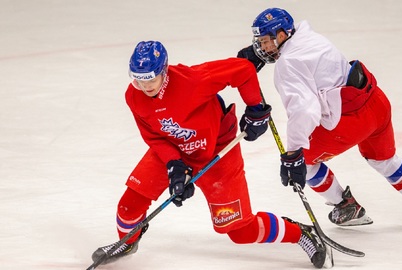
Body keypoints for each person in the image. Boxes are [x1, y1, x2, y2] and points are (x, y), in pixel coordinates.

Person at [91, 40, 332, 269]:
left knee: (240, 232)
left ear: (164, 71)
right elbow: (153, 137)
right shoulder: (134, 97)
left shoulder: (193, 81)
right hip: (175, 148)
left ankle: (300, 233)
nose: (145, 87)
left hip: (218, 150)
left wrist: (255, 108)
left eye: (150, 79)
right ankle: (127, 243)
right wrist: (174, 165)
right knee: (129, 206)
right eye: (138, 81)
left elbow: (244, 69)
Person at [237, 7, 402, 226]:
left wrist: (293, 153)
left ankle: (346, 207)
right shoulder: (309, 36)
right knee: (383, 160)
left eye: (264, 41)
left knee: (304, 162)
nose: (261, 47)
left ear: (281, 35)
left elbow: (305, 111)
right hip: (376, 103)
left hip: (350, 120)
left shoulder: (287, 64)